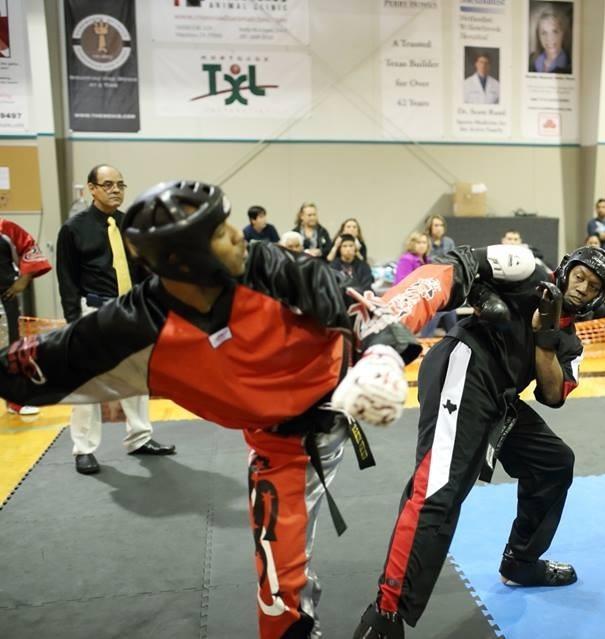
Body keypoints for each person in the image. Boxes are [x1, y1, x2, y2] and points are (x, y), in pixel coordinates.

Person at [0, 179, 479, 639]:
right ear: (184, 261)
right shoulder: (133, 328)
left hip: (342, 376)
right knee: (279, 598)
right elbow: (33, 362)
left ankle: (472, 264)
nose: (236, 235)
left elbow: (350, 305)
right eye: (218, 232)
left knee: (417, 294)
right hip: (281, 445)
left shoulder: (268, 264)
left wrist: (383, 355)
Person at [352, 244, 605, 639]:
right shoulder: (528, 270)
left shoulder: (570, 343)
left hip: (500, 398)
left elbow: (552, 394)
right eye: (580, 277)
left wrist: (544, 337)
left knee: (553, 462)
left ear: (599, 297)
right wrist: (476, 292)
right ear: (566, 270)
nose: (582, 288)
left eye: (593, 286)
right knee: (440, 487)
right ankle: (384, 615)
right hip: (465, 366)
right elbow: (459, 261)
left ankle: (521, 562)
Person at [56, 164, 175, 475]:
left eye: (120, 185)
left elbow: (144, 272)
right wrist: (72, 320)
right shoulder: (73, 229)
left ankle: (140, 437)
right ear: (92, 188)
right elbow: (67, 279)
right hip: (94, 310)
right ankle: (84, 448)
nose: (115, 190)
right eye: (107, 184)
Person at [0, 217, 52, 416]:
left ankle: (15, 401)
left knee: (10, 350)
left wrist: (24, 279)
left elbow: (29, 248)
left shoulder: (5, 228)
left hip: (4, 299)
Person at [529, 10, 571, 74]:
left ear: (562, 34)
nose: (549, 38)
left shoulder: (570, 65)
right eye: (544, 33)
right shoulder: (531, 61)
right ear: (538, 36)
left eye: (554, 32)